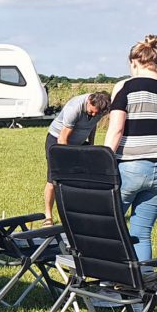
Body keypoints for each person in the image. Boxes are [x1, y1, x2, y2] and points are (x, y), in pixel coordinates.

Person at [102, 34, 157, 264]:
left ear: (134, 62)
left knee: (106, 224)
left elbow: (116, 130)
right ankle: (143, 282)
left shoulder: (126, 88)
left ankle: (106, 278)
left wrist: (101, 163)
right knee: (141, 231)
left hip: (131, 167)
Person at [42, 91, 111, 225]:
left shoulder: (100, 109)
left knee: (79, 178)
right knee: (54, 179)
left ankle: (76, 214)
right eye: (91, 112)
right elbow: (63, 138)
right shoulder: (74, 108)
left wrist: (91, 145)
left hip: (78, 141)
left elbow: (92, 126)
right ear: (89, 101)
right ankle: (48, 217)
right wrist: (67, 160)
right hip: (57, 140)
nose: (94, 115)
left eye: (97, 114)